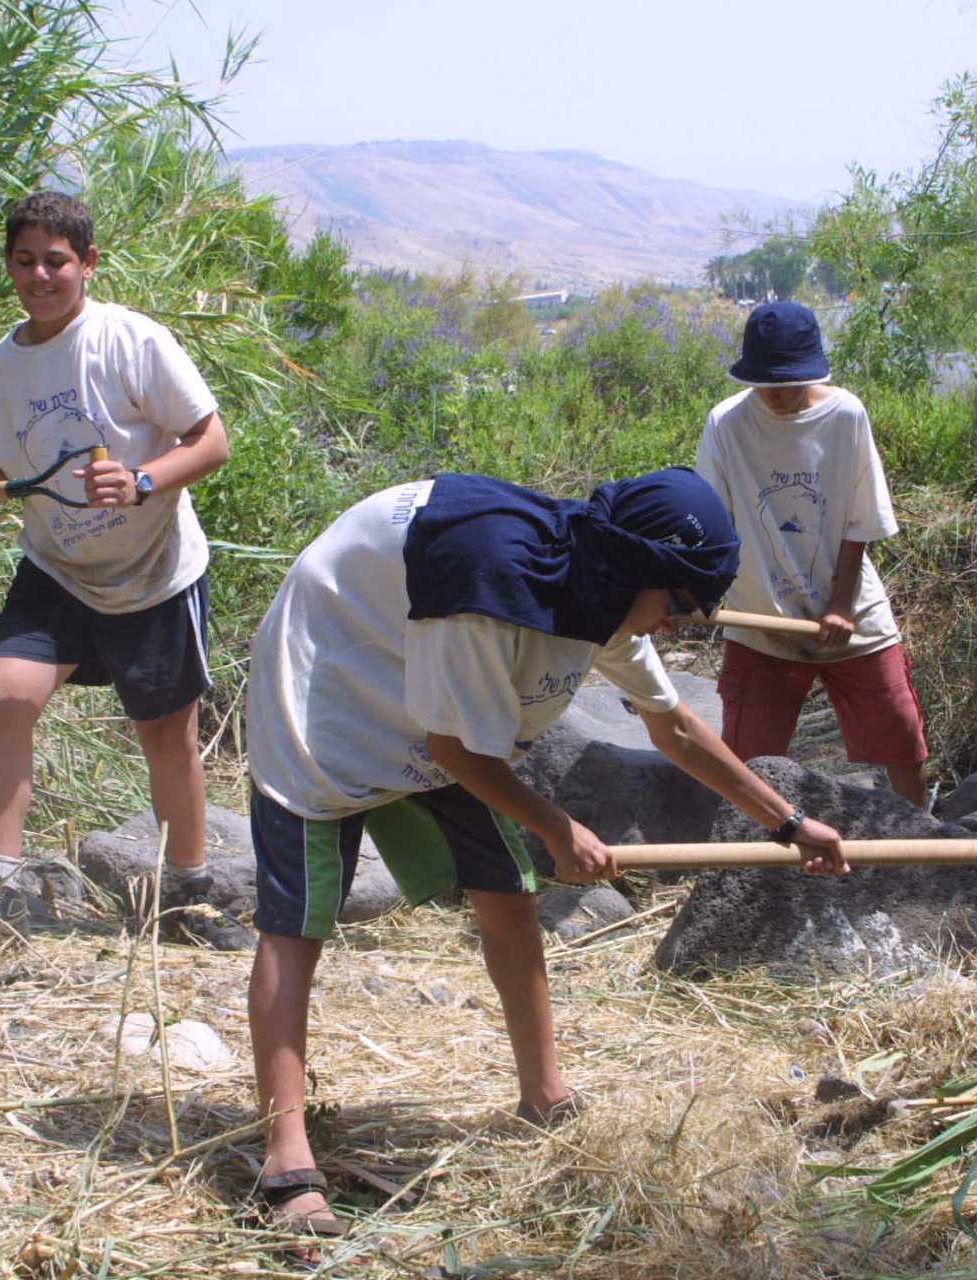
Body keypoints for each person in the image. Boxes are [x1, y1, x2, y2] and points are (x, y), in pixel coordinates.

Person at [240, 466, 848, 1236]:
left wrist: (789, 824)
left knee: (507, 890)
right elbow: (456, 749)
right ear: (637, 571)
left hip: (431, 691)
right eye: (676, 604)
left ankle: (544, 1097)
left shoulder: (595, 589)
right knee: (298, 924)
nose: (671, 625)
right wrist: (560, 828)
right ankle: (285, 1159)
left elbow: (676, 726)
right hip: (333, 673)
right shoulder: (490, 588)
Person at [0, 191, 241, 962]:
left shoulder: (130, 340)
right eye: (24, 260)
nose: (40, 275)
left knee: (165, 736)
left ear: (87, 265)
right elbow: (8, 471)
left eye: (56, 261)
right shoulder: (5, 365)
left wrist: (143, 481)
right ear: (8, 265)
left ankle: (187, 896)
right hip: (58, 568)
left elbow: (210, 442)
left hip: (154, 573)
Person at [694, 301, 930, 807]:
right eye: (767, 385)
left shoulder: (845, 415)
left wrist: (840, 603)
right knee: (748, 758)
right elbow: (709, 519)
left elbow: (859, 518)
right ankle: (747, 859)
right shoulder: (727, 424)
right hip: (761, 619)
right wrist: (693, 590)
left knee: (898, 730)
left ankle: (921, 833)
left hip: (850, 611)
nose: (778, 396)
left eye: (790, 384)